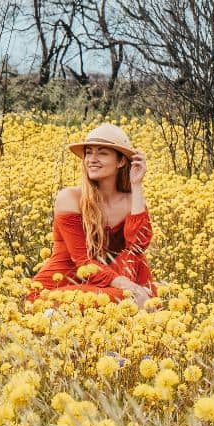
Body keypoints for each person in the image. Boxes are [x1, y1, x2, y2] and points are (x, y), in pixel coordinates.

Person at [26, 123, 157, 308]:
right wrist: (129, 287)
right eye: (88, 152)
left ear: (120, 162)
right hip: (54, 292)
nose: (92, 159)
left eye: (102, 153)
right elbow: (84, 262)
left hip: (103, 287)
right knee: (135, 299)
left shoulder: (132, 202)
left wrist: (137, 185)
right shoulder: (70, 198)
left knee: (139, 269)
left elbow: (137, 249)